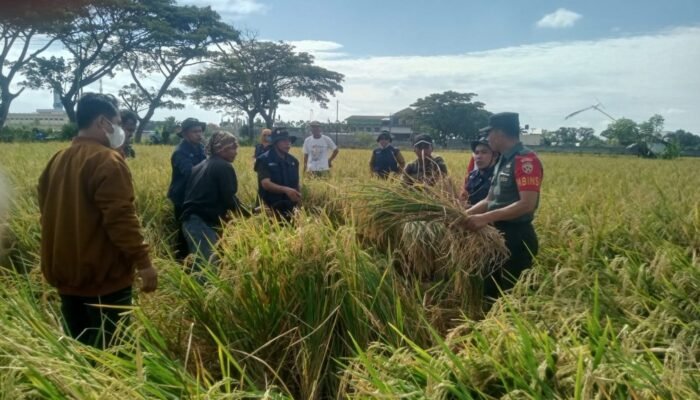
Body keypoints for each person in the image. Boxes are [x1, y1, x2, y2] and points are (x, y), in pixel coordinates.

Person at [37, 93, 157, 348]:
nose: (120, 129)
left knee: (78, 352)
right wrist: (144, 263)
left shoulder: (57, 159)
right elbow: (121, 218)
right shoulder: (108, 160)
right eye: (116, 121)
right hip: (104, 278)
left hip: (66, 275)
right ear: (103, 122)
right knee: (112, 354)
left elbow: (46, 213)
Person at [464, 112, 544, 303]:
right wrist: (462, 216)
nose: (488, 138)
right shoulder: (502, 160)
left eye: (490, 133)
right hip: (495, 236)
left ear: (499, 133)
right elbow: (489, 199)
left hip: (516, 238)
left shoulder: (525, 160)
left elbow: (527, 204)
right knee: (489, 292)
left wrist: (484, 219)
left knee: (511, 297)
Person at [181, 132, 246, 278]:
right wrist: (251, 212)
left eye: (236, 148)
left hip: (191, 221)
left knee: (201, 265)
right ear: (220, 149)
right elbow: (230, 200)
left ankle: (195, 298)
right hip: (200, 223)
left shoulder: (199, 166)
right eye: (232, 148)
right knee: (207, 268)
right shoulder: (223, 166)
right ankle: (201, 300)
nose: (236, 152)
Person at [167, 117, 206, 259]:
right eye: (195, 131)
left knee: (196, 229)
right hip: (182, 197)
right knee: (183, 231)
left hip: (196, 196)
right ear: (184, 134)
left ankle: (194, 258)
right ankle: (180, 262)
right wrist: (210, 163)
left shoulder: (201, 148)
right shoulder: (180, 152)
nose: (199, 134)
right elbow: (190, 173)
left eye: (200, 131)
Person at [255, 128, 301, 219]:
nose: (288, 144)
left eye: (289, 141)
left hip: (289, 208)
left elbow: (296, 185)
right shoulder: (264, 160)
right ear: (275, 143)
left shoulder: (293, 161)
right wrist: (286, 190)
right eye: (284, 141)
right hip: (269, 208)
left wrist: (299, 204)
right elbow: (266, 184)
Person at [460, 137, 498, 206]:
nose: (479, 156)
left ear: (495, 155)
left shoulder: (498, 177)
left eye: (484, 152)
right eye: (476, 153)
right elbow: (464, 197)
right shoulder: (472, 176)